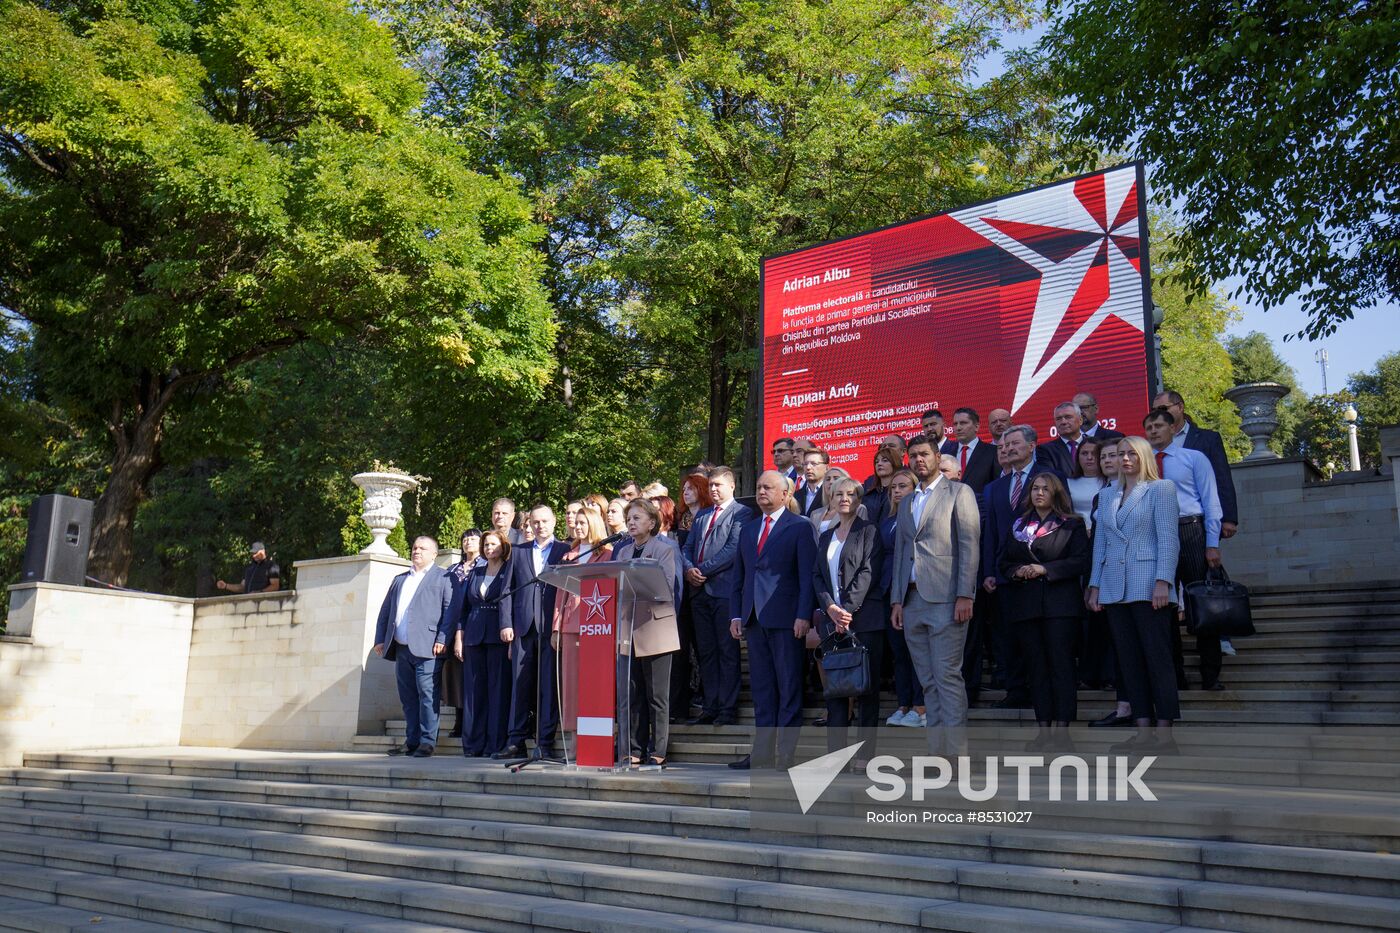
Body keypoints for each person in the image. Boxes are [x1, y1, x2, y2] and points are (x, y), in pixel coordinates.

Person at [1087, 436, 1181, 752]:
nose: (1125, 458)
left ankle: (1165, 735)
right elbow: (1101, 545)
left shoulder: (1161, 490)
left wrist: (1163, 581)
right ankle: (1142, 731)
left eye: (1132, 453)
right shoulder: (1106, 495)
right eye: (1121, 454)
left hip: (1148, 585)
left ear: (1144, 457)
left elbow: (1168, 539)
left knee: (1157, 659)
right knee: (1129, 662)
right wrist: (1095, 585)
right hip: (1115, 588)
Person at [890, 434, 981, 759]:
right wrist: (897, 600)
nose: (918, 460)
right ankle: (936, 755)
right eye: (913, 455)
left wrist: (964, 594)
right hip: (912, 601)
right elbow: (902, 551)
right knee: (928, 682)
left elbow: (969, 544)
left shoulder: (959, 492)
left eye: (924, 454)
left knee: (947, 677)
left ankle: (955, 756)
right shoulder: (906, 501)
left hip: (946, 598)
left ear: (936, 455)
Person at [728, 470, 817, 770]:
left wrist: (804, 614)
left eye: (768, 487)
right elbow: (740, 576)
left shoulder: (800, 527)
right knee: (763, 690)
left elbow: (807, 576)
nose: (761, 491)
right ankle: (762, 754)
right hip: (754, 620)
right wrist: (736, 613)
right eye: (758, 486)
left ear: (785, 494)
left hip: (787, 619)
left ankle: (786, 755)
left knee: (789, 687)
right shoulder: (749, 529)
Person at [998, 474, 1091, 745]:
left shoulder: (1071, 524)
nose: (1039, 493)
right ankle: (1044, 730)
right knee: (1036, 669)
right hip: (1026, 607)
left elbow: (1081, 561)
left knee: (1061, 666)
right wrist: (1018, 571)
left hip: (1060, 606)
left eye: (1045, 489)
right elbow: (1004, 563)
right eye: (1035, 488)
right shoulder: (1018, 525)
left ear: (1056, 493)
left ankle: (1062, 730)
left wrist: (1045, 569)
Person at [1144, 407, 1227, 690]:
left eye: (1158, 426)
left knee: (1201, 603)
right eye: (1149, 427)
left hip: (1190, 529)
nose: (1153, 431)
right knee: (1162, 605)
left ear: (1172, 428)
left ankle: (1210, 674)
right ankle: (1174, 676)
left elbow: (1211, 501)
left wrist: (1211, 543)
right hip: (1155, 534)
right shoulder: (1144, 464)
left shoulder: (1193, 458)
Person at [981, 424, 1062, 709]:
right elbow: (990, 532)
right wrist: (989, 570)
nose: (1009, 448)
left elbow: (1061, 521)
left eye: (1015, 443)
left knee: (1043, 640)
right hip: (1005, 575)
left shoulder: (1050, 478)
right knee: (1008, 637)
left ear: (1032, 446)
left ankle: (1047, 691)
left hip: (1042, 574)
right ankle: (1016, 690)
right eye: (1005, 445)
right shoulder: (994, 488)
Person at [814, 478, 885, 768]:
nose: (844, 498)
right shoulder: (824, 537)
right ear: (830, 499)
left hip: (865, 620)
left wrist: (846, 610)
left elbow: (869, 572)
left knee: (866, 691)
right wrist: (830, 607)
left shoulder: (870, 531)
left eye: (850, 494)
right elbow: (816, 576)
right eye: (838, 493)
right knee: (836, 692)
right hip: (832, 623)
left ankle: (865, 756)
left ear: (859, 500)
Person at [494, 505, 571, 760]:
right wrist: (506, 623)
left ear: (554, 522)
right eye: (535, 522)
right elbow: (506, 590)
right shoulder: (518, 552)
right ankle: (516, 741)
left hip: (551, 627)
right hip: (522, 628)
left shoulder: (565, 551)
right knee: (519, 685)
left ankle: (545, 742)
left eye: (545, 521)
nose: (540, 526)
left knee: (549, 687)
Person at [612, 498, 683, 766]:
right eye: (629, 518)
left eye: (637, 518)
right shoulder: (622, 553)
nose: (631, 522)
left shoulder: (665, 549)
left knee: (657, 696)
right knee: (631, 694)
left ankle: (659, 749)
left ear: (652, 523)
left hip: (655, 628)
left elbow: (666, 587)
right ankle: (633, 748)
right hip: (627, 629)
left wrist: (634, 580)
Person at [373, 536, 454, 758]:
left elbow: (450, 611)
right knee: (408, 697)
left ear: (434, 554)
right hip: (402, 648)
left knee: (427, 695)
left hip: (428, 648)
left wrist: (442, 638)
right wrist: (380, 638)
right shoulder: (400, 579)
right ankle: (412, 741)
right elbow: (386, 611)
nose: (417, 551)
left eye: (422, 548)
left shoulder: (444, 576)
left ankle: (427, 742)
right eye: (415, 547)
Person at [683, 467, 751, 726]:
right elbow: (687, 547)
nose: (713, 489)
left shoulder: (742, 513)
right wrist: (689, 569)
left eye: (718, 485)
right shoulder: (701, 516)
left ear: (732, 486)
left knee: (727, 652)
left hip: (724, 592)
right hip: (699, 593)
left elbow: (733, 550)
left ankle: (728, 708)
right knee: (706, 653)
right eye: (711, 485)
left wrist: (702, 570)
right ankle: (710, 706)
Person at [550, 508, 614, 748]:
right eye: (575, 522)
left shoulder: (608, 553)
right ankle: (575, 739)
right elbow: (560, 595)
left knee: (595, 683)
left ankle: (596, 740)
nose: (576, 526)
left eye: (582, 522)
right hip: (570, 625)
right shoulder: (569, 555)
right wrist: (556, 628)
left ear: (594, 523)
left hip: (598, 626)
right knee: (572, 685)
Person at [454, 531, 513, 757]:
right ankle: (472, 744)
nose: (489, 548)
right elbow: (464, 608)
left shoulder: (508, 570)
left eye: (493, 544)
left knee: (497, 691)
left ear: (503, 546)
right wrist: (459, 638)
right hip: (473, 636)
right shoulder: (476, 572)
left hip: (498, 636)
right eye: (486, 544)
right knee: (473, 692)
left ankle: (494, 744)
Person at [1154, 390, 1239, 541]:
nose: (1159, 415)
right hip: (1160, 523)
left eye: (1163, 409)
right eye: (1154, 411)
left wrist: (1228, 518)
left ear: (1180, 407)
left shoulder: (1207, 439)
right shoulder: (1152, 444)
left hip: (1197, 523)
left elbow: (1222, 477)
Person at [880, 470, 925, 727]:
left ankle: (920, 707)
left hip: (913, 590)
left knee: (916, 652)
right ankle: (904, 703)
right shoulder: (887, 520)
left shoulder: (916, 517)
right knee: (899, 654)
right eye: (894, 487)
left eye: (903, 486)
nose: (897, 491)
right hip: (889, 591)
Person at [443, 529, 483, 738]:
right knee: (455, 677)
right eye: (465, 538)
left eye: (473, 538)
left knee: (471, 675)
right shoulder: (453, 569)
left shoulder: (483, 566)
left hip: (473, 624)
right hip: (451, 626)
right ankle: (458, 720)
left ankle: (470, 721)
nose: (468, 541)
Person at [941, 408, 998, 496]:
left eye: (963, 423)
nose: (958, 428)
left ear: (976, 427)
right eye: (955, 424)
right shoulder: (945, 453)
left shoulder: (993, 452)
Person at [1036, 401, 1088, 476]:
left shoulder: (1096, 444)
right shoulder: (1045, 450)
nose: (1063, 422)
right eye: (1058, 419)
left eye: (1068, 417)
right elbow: (1050, 478)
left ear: (1080, 420)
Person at [1068, 437, 1110, 528]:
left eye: (1094, 453)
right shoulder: (1067, 483)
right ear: (1077, 457)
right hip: (1077, 533)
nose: (1089, 457)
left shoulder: (1111, 482)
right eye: (1084, 453)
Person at [215, 541, 280, 593]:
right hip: (249, 603)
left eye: (256, 552)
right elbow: (242, 587)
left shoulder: (272, 566)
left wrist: (259, 592)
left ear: (263, 551)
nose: (254, 556)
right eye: (252, 553)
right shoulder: (249, 568)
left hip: (266, 603)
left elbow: (275, 586)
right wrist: (226, 586)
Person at [675, 473, 713, 548]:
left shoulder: (710, 516)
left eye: (690, 488)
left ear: (701, 490)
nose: (685, 493)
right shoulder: (682, 518)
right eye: (684, 489)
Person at [864, 448, 901, 521]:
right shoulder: (869, 494)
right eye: (876, 462)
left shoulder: (899, 491)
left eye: (885, 460)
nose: (879, 464)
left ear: (894, 463)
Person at [795, 448, 830, 516]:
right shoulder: (795, 496)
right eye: (805, 464)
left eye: (814, 463)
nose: (808, 467)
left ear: (826, 468)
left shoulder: (830, 494)